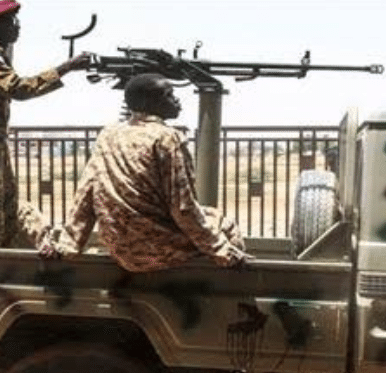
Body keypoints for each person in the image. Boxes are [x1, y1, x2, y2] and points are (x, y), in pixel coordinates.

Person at [51, 73, 250, 272]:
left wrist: (68, 246)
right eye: (169, 95)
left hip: (119, 248)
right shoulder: (167, 138)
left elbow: (86, 194)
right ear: (150, 103)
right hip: (157, 252)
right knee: (224, 224)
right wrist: (223, 252)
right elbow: (183, 207)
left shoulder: (108, 135)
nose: (176, 100)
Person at [0, 0, 90, 247]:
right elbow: (17, 88)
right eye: (9, 21)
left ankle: (0, 264)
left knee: (6, 210)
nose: (17, 26)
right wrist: (65, 68)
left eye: (15, 20)